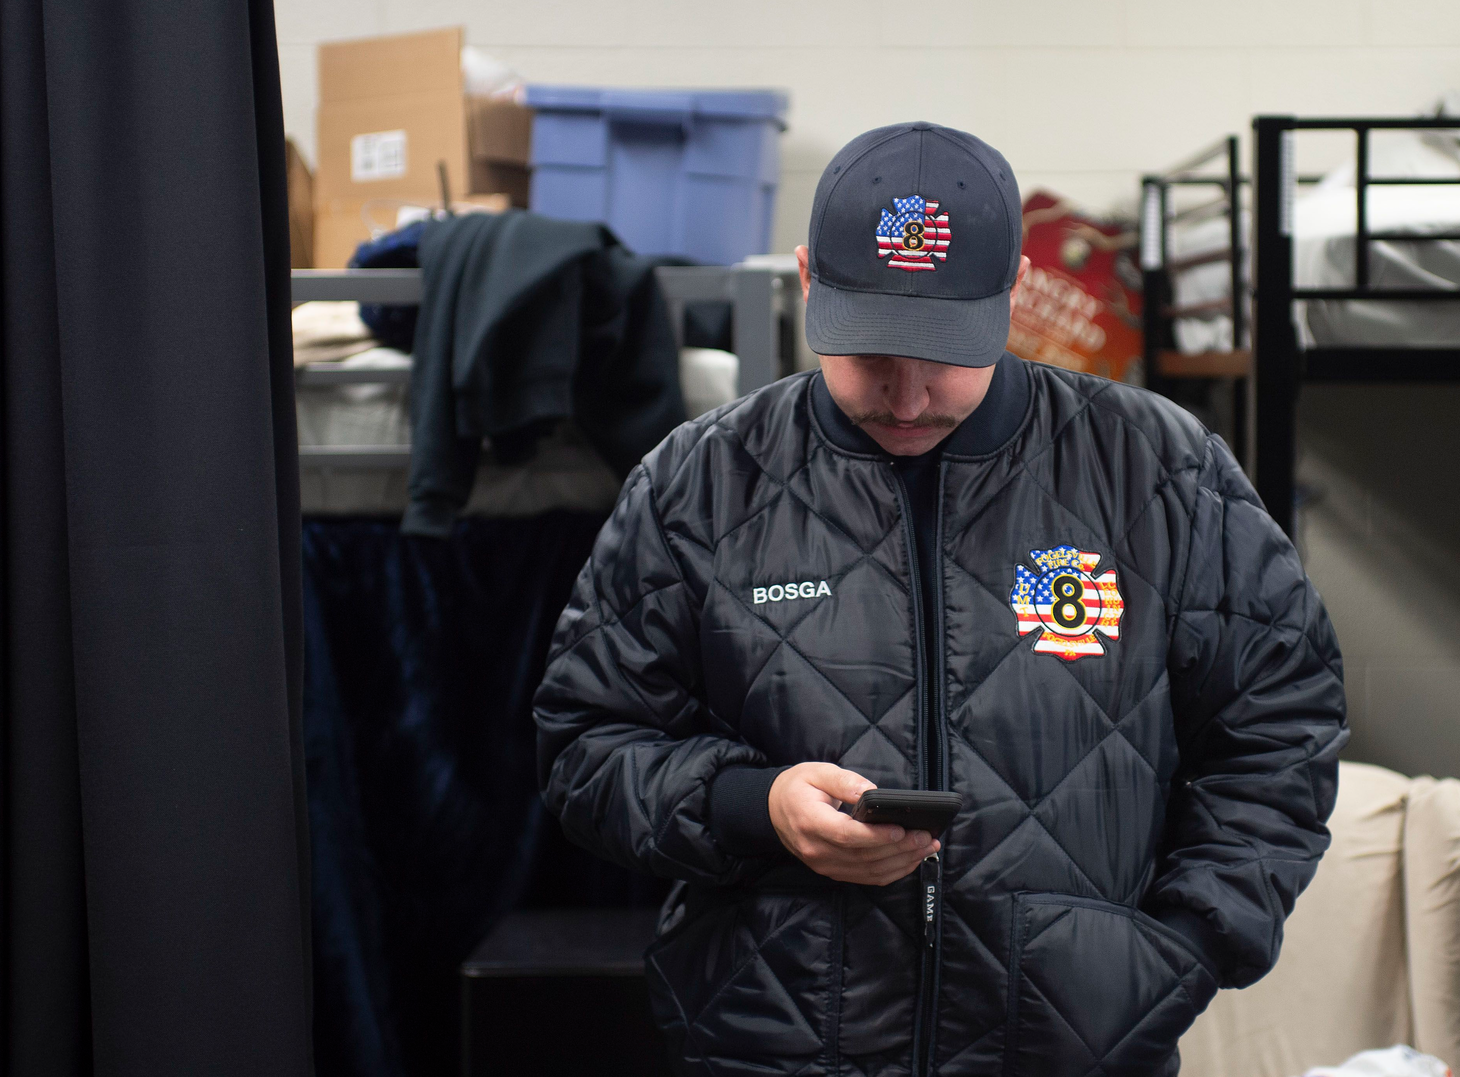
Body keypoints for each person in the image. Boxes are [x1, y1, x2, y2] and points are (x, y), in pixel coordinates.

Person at [534, 122, 1347, 1077]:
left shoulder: (1157, 468)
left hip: (1075, 1049)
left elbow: (1280, 724)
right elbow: (586, 742)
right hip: (769, 1045)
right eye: (872, 352)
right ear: (807, 279)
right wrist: (756, 805)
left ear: (1010, 293)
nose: (909, 398)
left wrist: (1180, 951)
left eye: (946, 353)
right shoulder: (700, 480)